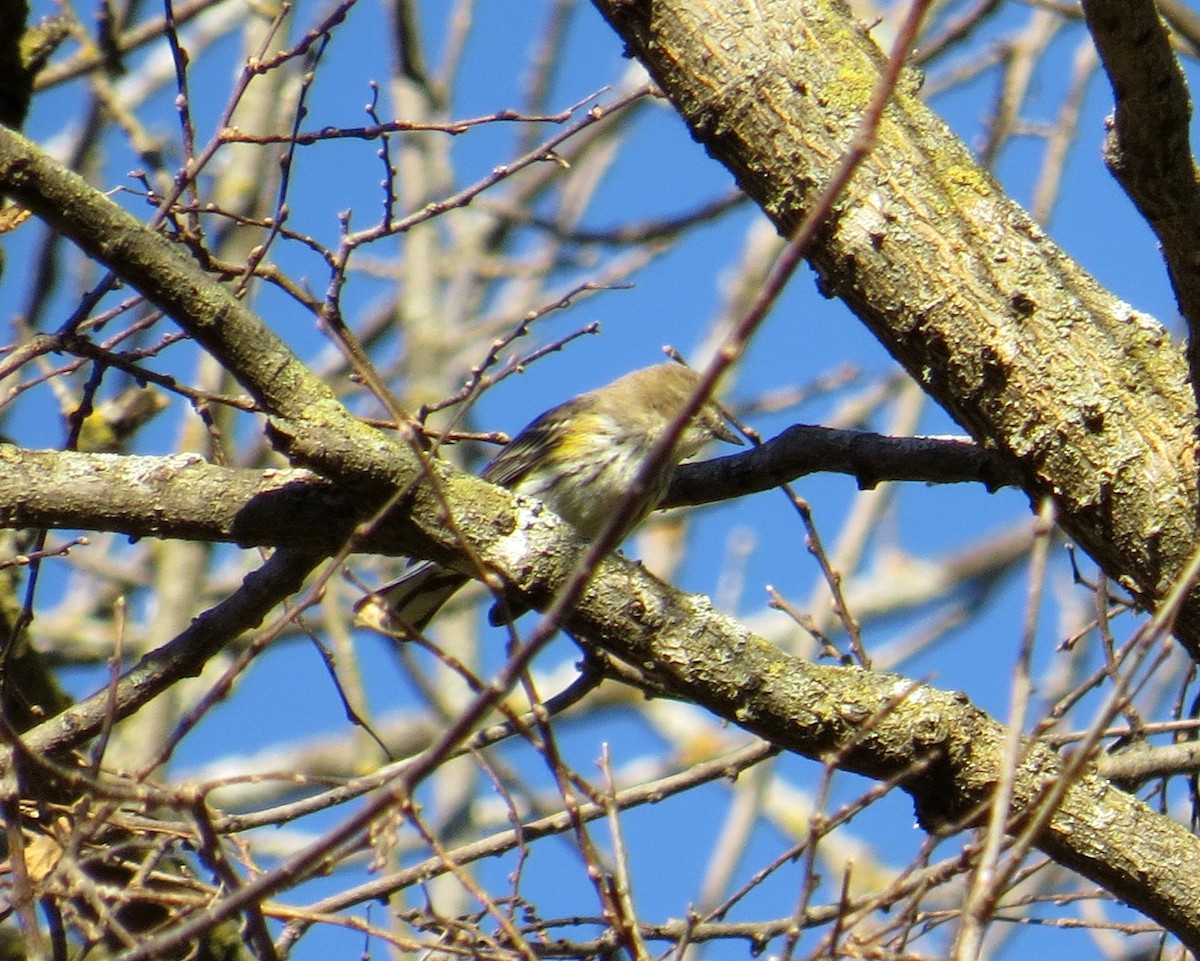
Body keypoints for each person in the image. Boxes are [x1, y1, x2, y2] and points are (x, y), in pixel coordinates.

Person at [356, 362, 741, 636]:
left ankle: (422, 595)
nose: (700, 436)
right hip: (500, 521)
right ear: (662, 406)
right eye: (696, 421)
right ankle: (421, 587)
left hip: (547, 564)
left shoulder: (659, 477)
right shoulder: (590, 414)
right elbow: (499, 479)